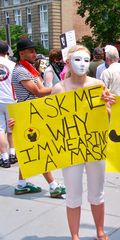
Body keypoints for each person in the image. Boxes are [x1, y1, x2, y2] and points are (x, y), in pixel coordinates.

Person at [51, 45, 114, 240]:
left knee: (97, 192)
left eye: (86, 60)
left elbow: (109, 118)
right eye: (78, 60)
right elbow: (49, 121)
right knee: (73, 194)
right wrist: (20, 124)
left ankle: (100, 231)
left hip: (95, 146)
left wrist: (108, 105)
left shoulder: (98, 85)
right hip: (71, 148)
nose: (82, 64)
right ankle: (75, 236)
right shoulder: (59, 88)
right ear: (68, 63)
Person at [11, 38, 65, 198]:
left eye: (34, 50)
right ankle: (53, 185)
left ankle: (21, 184)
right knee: (39, 150)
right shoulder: (21, 71)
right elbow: (38, 92)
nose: (35, 53)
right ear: (22, 53)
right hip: (28, 114)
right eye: (31, 51)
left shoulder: (29, 70)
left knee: (30, 149)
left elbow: (42, 88)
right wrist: (60, 87)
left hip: (33, 113)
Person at [0, 40, 17, 168]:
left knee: (0, 129)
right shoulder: (12, 65)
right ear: (6, 51)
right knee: (11, 129)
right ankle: (12, 153)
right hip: (11, 99)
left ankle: (4, 157)